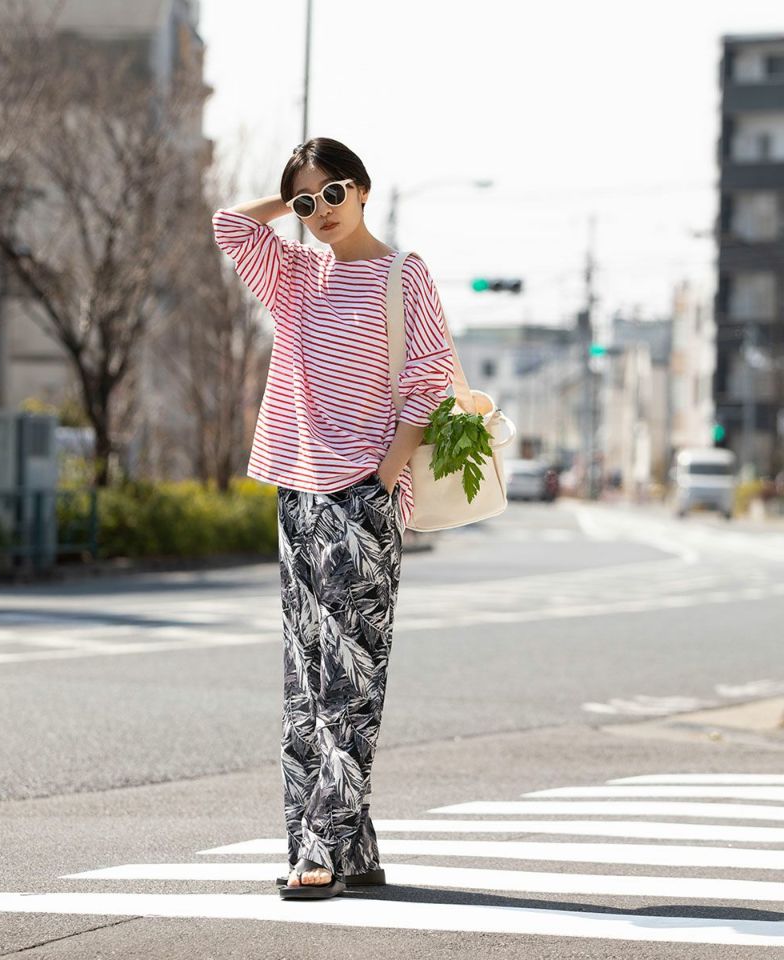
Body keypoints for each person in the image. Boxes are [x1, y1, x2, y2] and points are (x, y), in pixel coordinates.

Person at [211, 137, 454, 900]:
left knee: (350, 679)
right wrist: (290, 201)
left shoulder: (403, 274)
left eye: (334, 194)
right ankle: (349, 847)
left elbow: (430, 381)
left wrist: (384, 476)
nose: (321, 212)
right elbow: (229, 225)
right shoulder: (295, 274)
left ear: (364, 189)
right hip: (297, 489)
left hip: (360, 496)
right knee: (307, 680)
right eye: (307, 201)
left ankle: (321, 845)